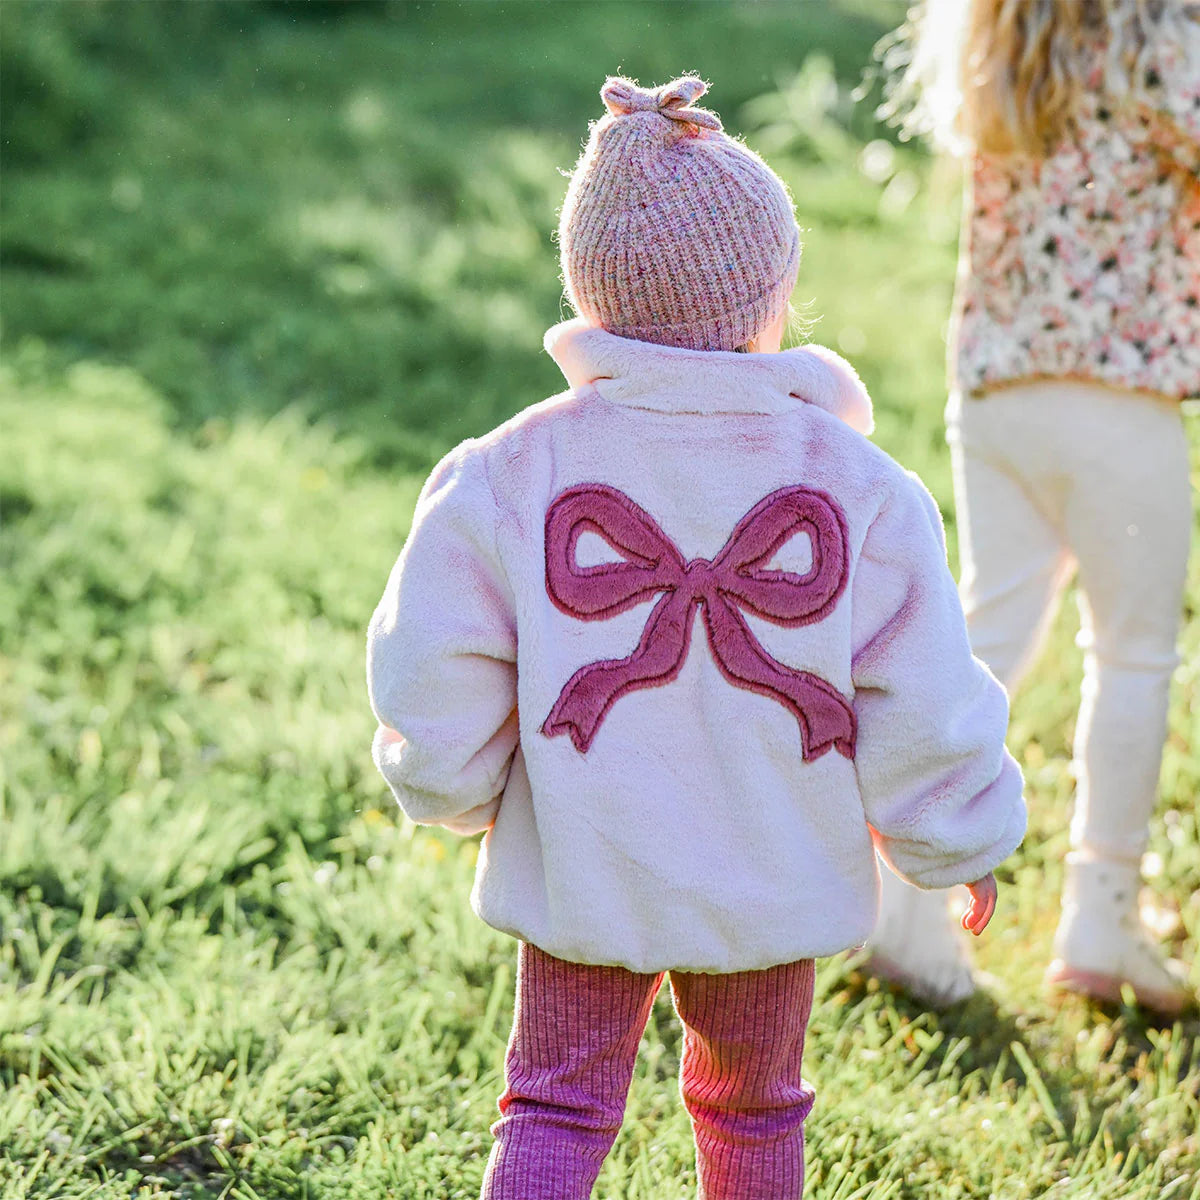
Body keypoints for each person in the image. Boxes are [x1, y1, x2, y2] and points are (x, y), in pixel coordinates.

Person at [366, 74, 1025, 1199]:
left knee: (555, 1104)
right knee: (756, 1107)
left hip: (587, 862)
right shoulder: (860, 488)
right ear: (770, 300)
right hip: (770, 869)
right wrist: (954, 839)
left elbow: (434, 657)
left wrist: (455, 787)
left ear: (588, 291)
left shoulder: (509, 472)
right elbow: (921, 687)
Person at [868, 0, 1200, 1014]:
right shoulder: (1162, 31)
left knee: (982, 641)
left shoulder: (996, 32)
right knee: (1134, 654)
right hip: (1120, 394)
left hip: (999, 387)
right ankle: (1099, 919)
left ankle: (905, 914)